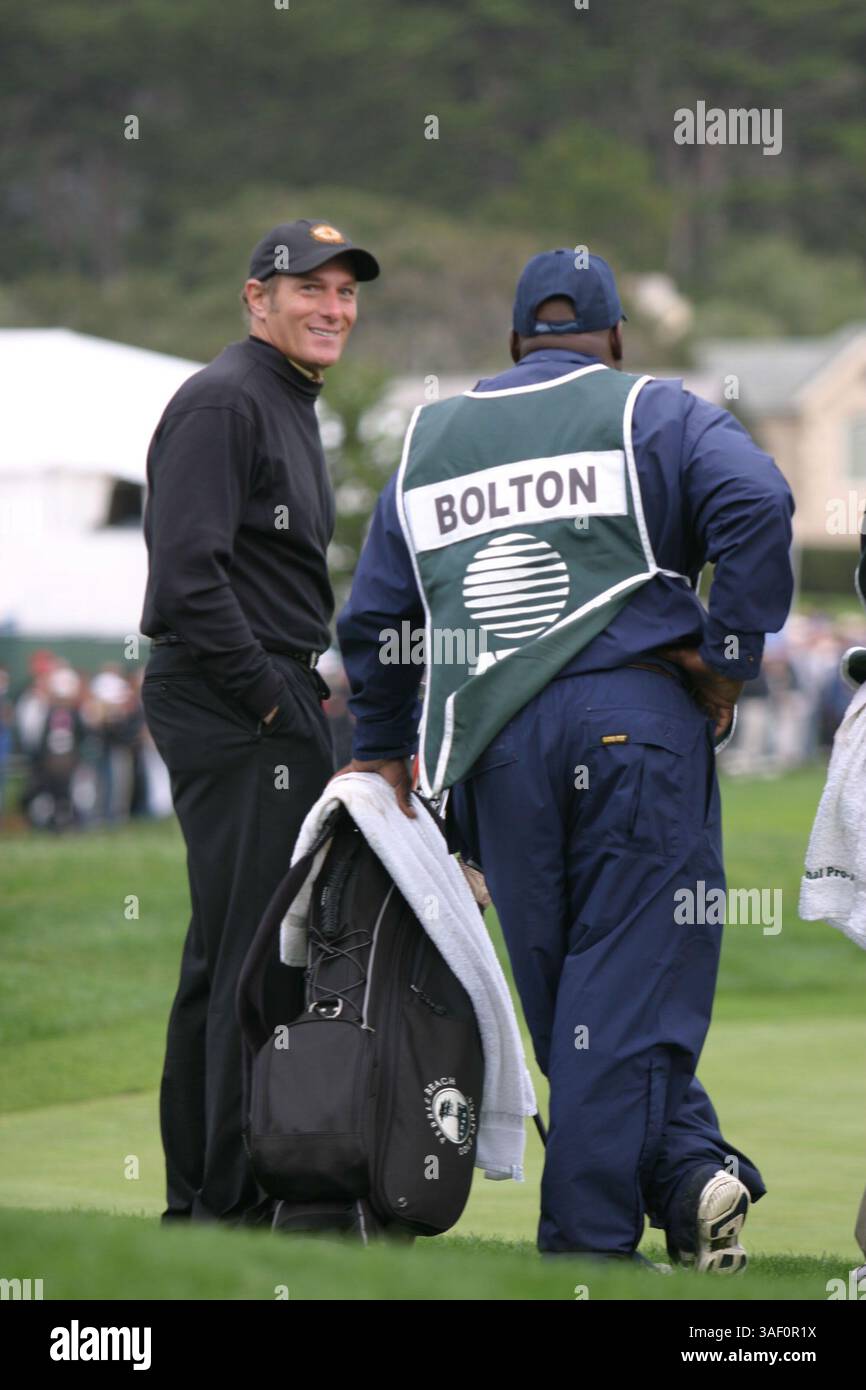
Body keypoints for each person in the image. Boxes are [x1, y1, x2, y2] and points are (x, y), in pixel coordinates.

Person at [336, 249, 795, 1267]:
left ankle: (684, 1181)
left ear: (510, 344)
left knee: (574, 1014)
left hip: (494, 750)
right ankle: (586, 1251)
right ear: (614, 340)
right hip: (636, 727)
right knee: (622, 999)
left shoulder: (429, 435)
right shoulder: (657, 410)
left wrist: (379, 746)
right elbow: (757, 506)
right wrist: (727, 658)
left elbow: (371, 617)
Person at [139, 218, 380, 1228]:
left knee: (227, 950)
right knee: (245, 956)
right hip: (235, 697)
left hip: (260, 693)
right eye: (308, 290)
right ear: (256, 297)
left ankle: (204, 1198)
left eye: (345, 293)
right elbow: (187, 575)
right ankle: (225, 1209)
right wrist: (278, 699)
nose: (331, 308)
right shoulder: (225, 399)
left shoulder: (288, 401)